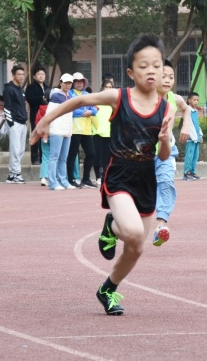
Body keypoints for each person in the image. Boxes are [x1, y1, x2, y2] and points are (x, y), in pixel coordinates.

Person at [31, 34, 172, 316]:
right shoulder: (119, 97)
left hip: (146, 178)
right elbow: (81, 100)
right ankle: (113, 224)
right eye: (143, 66)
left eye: (156, 66)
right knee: (133, 232)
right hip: (119, 174)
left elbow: (165, 156)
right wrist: (46, 119)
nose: (151, 71)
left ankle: (108, 288)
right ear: (131, 72)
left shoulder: (165, 107)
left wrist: (165, 139)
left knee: (137, 246)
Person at [152, 59, 191, 247]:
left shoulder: (175, 99)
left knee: (166, 183)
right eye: (163, 76)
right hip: (143, 153)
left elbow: (187, 109)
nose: (168, 80)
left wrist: (186, 124)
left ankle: (160, 228)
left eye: (171, 77)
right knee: (140, 193)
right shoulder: (144, 98)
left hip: (166, 152)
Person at [66, 72, 97, 189]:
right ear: (73, 83)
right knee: (72, 154)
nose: (79, 83)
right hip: (74, 129)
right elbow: (70, 109)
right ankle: (70, 179)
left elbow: (94, 109)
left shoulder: (86, 94)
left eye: (81, 81)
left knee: (91, 153)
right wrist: (85, 112)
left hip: (86, 129)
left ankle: (86, 179)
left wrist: (91, 112)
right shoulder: (69, 93)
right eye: (77, 81)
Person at [47, 73, 75, 191]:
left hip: (67, 130)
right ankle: (53, 182)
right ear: (61, 83)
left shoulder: (70, 96)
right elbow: (49, 113)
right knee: (54, 157)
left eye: (69, 83)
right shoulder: (56, 96)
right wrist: (46, 130)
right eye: (65, 83)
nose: (68, 85)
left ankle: (64, 181)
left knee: (63, 159)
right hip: (57, 130)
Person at [3, 65, 28, 184]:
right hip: (15, 123)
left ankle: (12, 175)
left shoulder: (20, 89)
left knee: (21, 150)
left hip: (23, 122)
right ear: (13, 75)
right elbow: (7, 107)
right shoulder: (9, 89)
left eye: (23, 74)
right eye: (19, 74)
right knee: (15, 149)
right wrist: (11, 123)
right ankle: (16, 173)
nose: (21, 76)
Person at [92, 79, 114, 186]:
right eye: (106, 87)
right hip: (97, 133)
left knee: (107, 158)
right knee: (97, 157)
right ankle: (97, 176)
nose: (108, 89)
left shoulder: (113, 102)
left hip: (109, 133)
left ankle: (105, 176)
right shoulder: (97, 100)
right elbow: (92, 114)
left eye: (110, 87)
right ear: (102, 88)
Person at [26, 65, 48, 165]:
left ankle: (44, 157)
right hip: (35, 115)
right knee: (36, 135)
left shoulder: (47, 87)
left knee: (45, 136)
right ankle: (34, 158)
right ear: (34, 76)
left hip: (46, 116)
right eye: (38, 74)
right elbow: (30, 99)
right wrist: (41, 99)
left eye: (42, 74)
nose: (41, 76)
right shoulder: (31, 87)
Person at [183, 91, 203, 181]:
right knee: (189, 156)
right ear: (189, 100)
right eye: (194, 100)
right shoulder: (187, 110)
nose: (196, 102)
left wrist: (200, 135)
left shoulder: (195, 111)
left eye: (197, 100)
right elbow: (188, 125)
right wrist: (191, 135)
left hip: (196, 138)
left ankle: (192, 172)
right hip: (190, 138)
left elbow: (197, 125)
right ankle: (186, 173)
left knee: (195, 156)